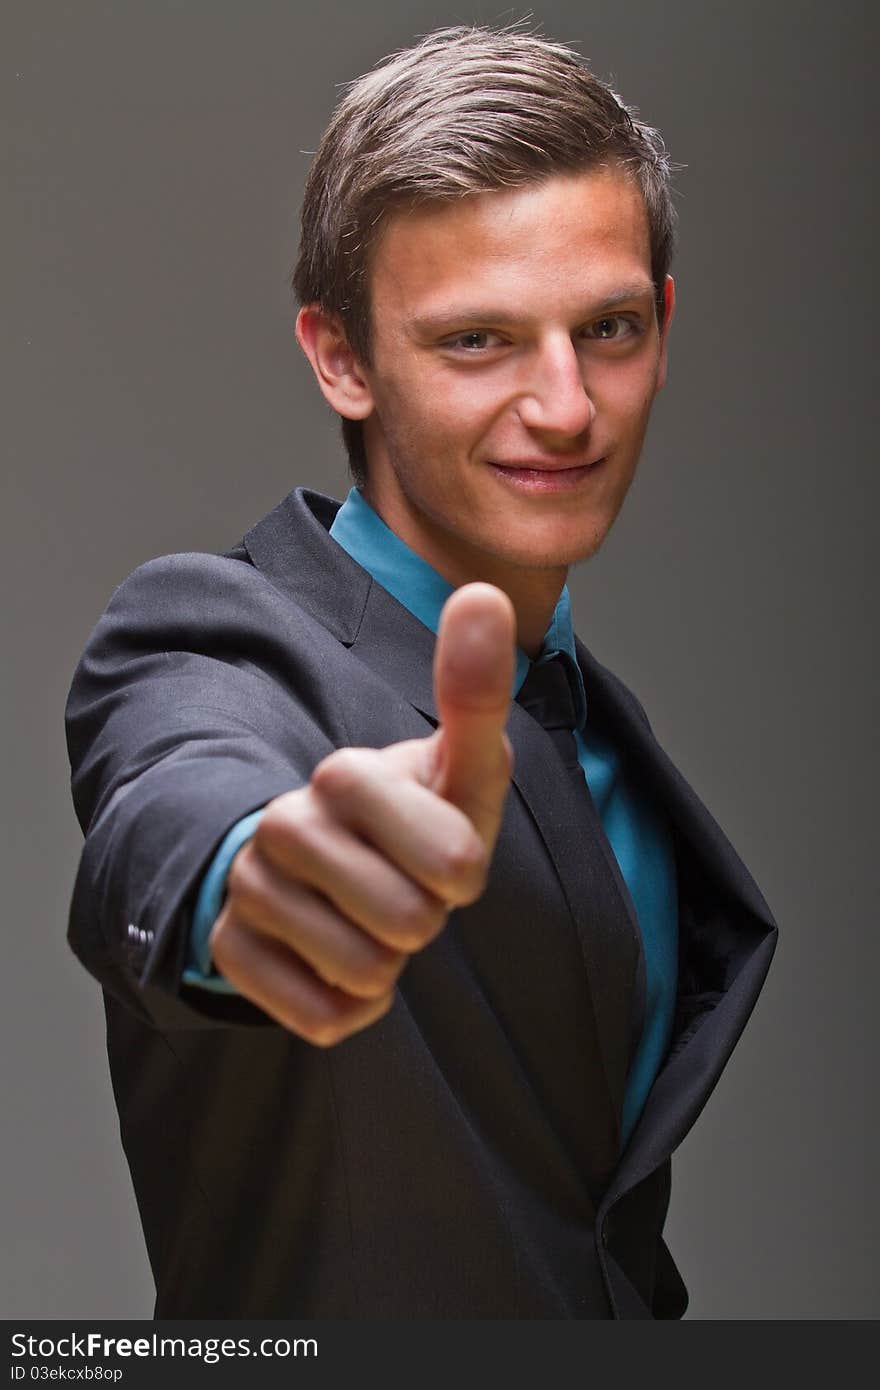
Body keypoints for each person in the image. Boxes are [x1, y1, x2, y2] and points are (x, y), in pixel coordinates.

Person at [65, 25, 778, 1319]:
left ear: (663, 324)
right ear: (341, 356)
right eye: (478, 342)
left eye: (606, 327)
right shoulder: (214, 638)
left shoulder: (606, 730)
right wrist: (255, 879)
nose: (566, 404)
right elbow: (176, 800)